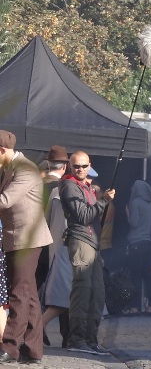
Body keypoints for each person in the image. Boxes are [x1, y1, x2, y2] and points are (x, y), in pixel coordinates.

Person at [0, 130, 54, 364]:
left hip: (27, 240)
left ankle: (10, 347)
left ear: (2, 150)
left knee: (19, 292)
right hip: (16, 238)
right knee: (29, 294)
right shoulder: (9, 168)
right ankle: (32, 349)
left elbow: (5, 200)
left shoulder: (25, 170)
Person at [60, 150, 115, 356]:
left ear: (89, 165)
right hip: (81, 241)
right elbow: (83, 216)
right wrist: (104, 201)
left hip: (93, 244)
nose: (80, 169)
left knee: (97, 294)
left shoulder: (88, 187)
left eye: (84, 166)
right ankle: (77, 339)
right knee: (82, 293)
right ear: (70, 166)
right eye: (76, 166)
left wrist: (101, 200)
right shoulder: (69, 186)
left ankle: (91, 340)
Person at [38, 146, 73, 347]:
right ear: (65, 166)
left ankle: (32, 330)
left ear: (48, 164)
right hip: (54, 244)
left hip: (33, 246)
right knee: (63, 289)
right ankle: (66, 335)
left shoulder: (35, 185)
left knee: (36, 291)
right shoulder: (62, 188)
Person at [125, 180, 151, 315]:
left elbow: (134, 223)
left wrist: (128, 213)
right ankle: (150, 307)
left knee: (135, 276)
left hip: (136, 244)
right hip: (147, 243)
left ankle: (134, 307)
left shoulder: (135, 203)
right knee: (149, 276)